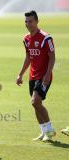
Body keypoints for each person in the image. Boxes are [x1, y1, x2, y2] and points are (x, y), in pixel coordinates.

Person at [16, 10, 56, 142]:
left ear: (37, 21)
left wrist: (47, 74)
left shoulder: (46, 38)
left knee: (35, 101)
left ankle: (50, 130)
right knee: (35, 104)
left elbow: (52, 57)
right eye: (26, 21)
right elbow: (28, 57)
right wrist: (20, 74)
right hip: (32, 76)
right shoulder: (26, 38)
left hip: (44, 76)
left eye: (30, 21)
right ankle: (43, 131)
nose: (28, 24)